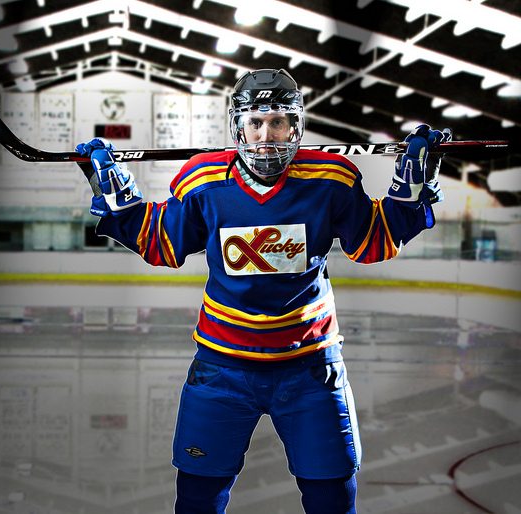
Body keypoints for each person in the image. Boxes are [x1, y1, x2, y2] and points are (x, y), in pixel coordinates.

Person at [75, 69, 450, 514]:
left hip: (311, 367)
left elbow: (371, 242)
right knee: (197, 499)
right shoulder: (202, 180)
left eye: (277, 122)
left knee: (332, 499)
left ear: (296, 127)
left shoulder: (333, 177)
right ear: (238, 127)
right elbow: (163, 242)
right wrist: (122, 205)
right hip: (223, 366)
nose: (266, 135)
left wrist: (408, 196)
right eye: (255, 122)